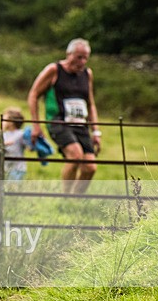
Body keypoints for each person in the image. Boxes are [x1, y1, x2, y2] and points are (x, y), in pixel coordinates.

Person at [27, 38, 102, 193]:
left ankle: (76, 199)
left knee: (90, 168)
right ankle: (65, 197)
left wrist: (96, 131)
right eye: (79, 57)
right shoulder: (54, 70)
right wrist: (36, 126)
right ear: (69, 54)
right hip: (58, 121)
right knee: (75, 156)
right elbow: (33, 95)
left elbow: (91, 104)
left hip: (80, 123)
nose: (82, 62)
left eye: (85, 58)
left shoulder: (87, 74)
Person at [1, 107, 30, 181]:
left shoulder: (20, 134)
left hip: (17, 168)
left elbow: (28, 147)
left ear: (11, 122)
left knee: (13, 186)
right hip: (6, 168)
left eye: (4, 120)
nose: (2, 122)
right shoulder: (4, 134)